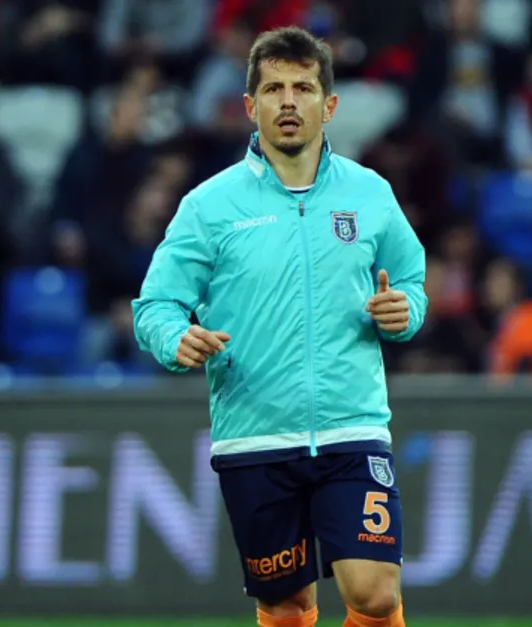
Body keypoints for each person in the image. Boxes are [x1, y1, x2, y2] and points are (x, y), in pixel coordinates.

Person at [133, 26, 426, 627]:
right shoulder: (209, 206)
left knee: (374, 593)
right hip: (254, 438)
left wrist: (406, 311)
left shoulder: (370, 194)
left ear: (329, 104)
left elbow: (411, 281)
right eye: (273, 89)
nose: (288, 102)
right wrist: (174, 337)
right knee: (287, 607)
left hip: (351, 429)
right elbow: (156, 304)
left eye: (303, 88)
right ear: (250, 105)